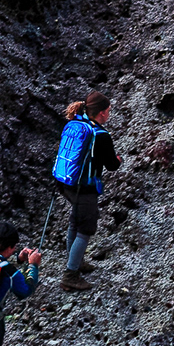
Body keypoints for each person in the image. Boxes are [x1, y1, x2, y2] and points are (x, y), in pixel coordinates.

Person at [51, 95, 120, 272]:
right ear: (102, 113)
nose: (109, 114)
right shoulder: (101, 134)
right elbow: (112, 165)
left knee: (75, 221)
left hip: (66, 184)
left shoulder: (76, 124)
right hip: (85, 188)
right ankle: (71, 274)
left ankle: (75, 262)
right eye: (109, 111)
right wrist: (118, 159)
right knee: (85, 230)